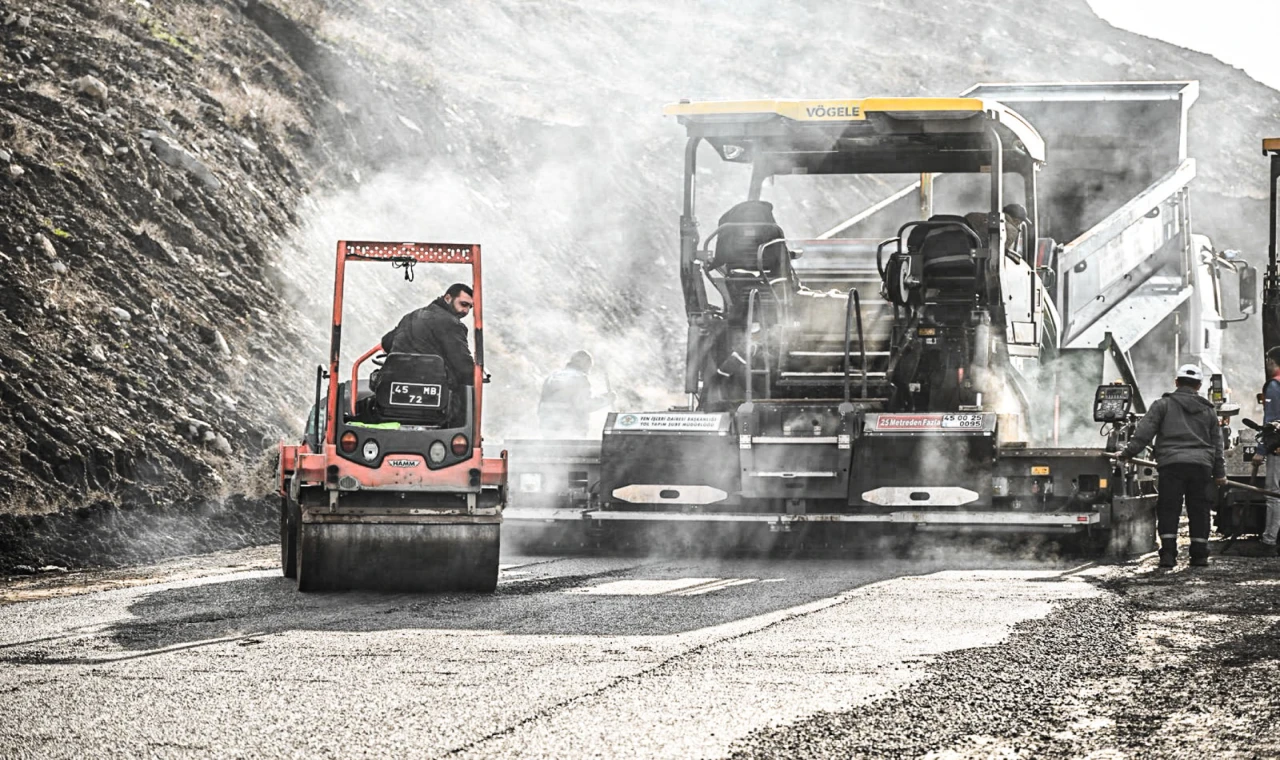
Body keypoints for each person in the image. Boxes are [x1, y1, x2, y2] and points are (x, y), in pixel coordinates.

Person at [1120, 363, 1227, 568]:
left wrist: (1127, 453)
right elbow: (1217, 445)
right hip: (1201, 467)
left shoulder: (1162, 405)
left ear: (1176, 382)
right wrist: (1220, 473)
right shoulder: (1209, 411)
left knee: (1169, 509)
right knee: (1199, 510)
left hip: (1171, 465)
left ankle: (1168, 555)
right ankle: (1199, 556)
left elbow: (1143, 433)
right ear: (1199, 385)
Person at [380, 283, 476, 387]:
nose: (466, 311)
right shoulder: (452, 325)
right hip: (431, 388)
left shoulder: (411, 316)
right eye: (463, 304)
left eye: (470, 307)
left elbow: (387, 342)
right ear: (448, 298)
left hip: (393, 383)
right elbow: (463, 366)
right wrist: (475, 375)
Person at [538, 350, 614, 438]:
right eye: (589, 366)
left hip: (547, 428)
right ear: (585, 364)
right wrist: (606, 399)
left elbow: (542, 403)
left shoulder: (552, 376)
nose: (588, 371)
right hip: (570, 431)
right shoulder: (580, 378)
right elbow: (584, 405)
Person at [1250, 346, 1280, 554]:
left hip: (1277, 449)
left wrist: (1261, 450)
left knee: (1273, 494)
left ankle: (1269, 542)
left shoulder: (1274, 386)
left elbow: (1272, 422)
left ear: (1271, 361)